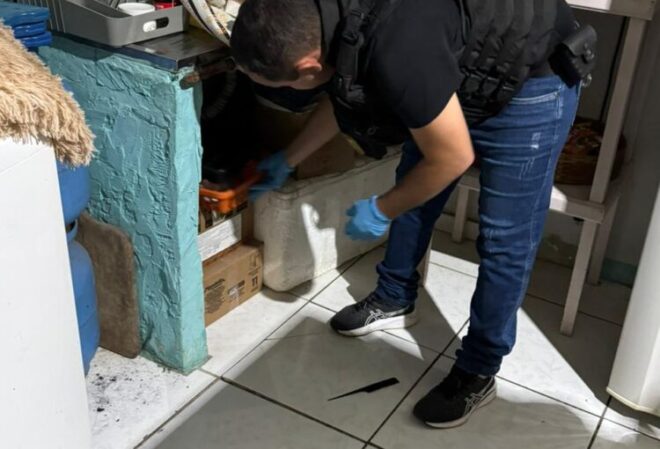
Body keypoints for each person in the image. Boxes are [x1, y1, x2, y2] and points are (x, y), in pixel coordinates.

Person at [231, 0, 592, 428]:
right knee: (414, 188)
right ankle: (394, 297)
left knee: (503, 239)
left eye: (285, 85)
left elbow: (452, 157)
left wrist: (382, 209)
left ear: (308, 66)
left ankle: (479, 370)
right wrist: (289, 159)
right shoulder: (335, 18)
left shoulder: (399, 48)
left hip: (532, 80)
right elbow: (347, 88)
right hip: (457, 64)